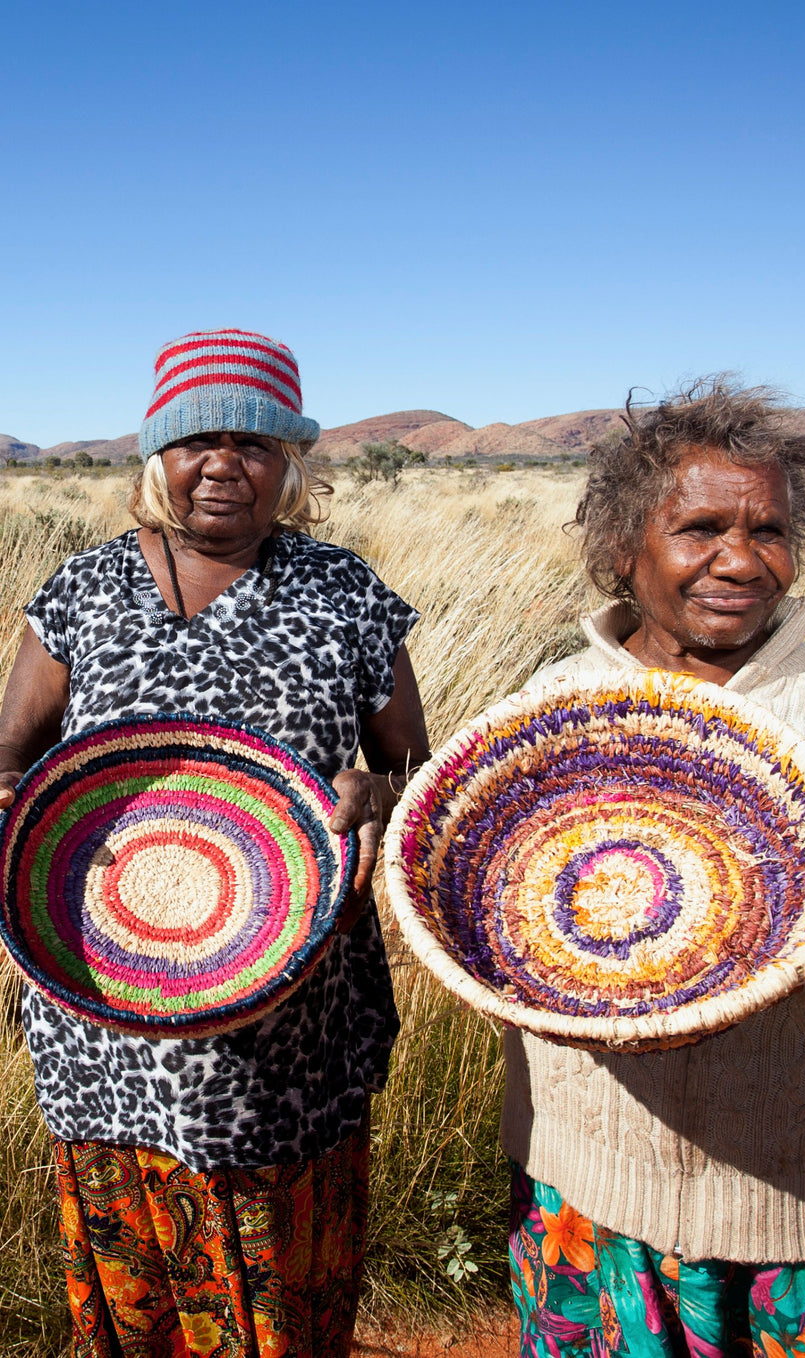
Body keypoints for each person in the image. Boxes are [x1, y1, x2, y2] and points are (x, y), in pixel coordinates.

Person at [500, 380, 805, 1356]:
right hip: (587, 1188)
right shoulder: (551, 708)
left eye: (770, 530)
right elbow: (482, 915)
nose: (742, 560)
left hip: (784, 1201)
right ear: (624, 548)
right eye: (701, 526)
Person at [0, 329, 430, 1357]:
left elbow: (421, 771)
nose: (224, 463)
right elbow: (10, 754)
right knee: (134, 1302)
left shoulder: (348, 594)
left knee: (286, 1298)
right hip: (107, 1014)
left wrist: (380, 794)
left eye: (255, 442)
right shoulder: (84, 591)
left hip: (294, 1027)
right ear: (160, 456)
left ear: (291, 464)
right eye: (199, 439)